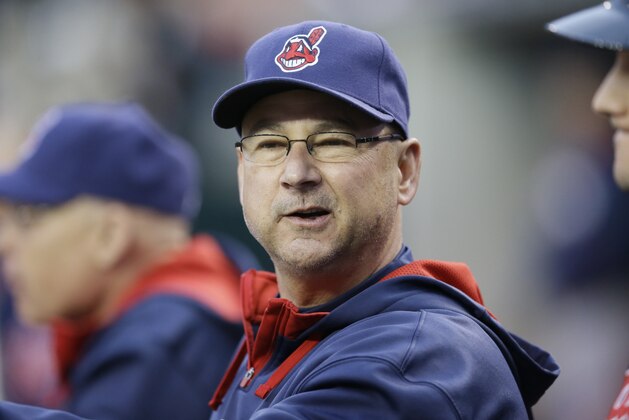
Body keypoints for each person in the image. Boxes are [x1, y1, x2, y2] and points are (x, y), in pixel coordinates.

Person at [205, 20, 559, 419]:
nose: (296, 173)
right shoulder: (279, 330)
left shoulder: (417, 361)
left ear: (404, 171)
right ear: (241, 173)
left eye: (333, 141)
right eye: (269, 144)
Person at [0, 102, 247, 419]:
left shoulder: (156, 356)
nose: (5, 244)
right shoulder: (180, 326)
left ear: (110, 236)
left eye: (27, 216)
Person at [547, 2, 629, 419]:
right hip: (573, 306)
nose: (604, 99)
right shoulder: (566, 163)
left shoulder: (602, 167)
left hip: (603, 306)